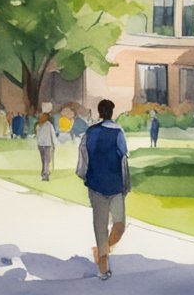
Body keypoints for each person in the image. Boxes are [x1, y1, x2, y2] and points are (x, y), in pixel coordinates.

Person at [76, 99, 129, 281]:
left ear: (100, 112)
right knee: (118, 225)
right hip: (111, 184)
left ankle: (100, 251)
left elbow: (83, 156)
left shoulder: (91, 132)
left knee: (103, 226)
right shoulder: (118, 132)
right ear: (111, 112)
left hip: (102, 184)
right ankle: (103, 265)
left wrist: (84, 175)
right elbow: (123, 159)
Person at [35, 112, 56, 181]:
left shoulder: (45, 125)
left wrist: (54, 143)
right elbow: (38, 136)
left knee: (45, 160)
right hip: (44, 145)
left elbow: (52, 134)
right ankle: (45, 174)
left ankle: (44, 173)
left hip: (45, 145)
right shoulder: (41, 126)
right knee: (45, 160)